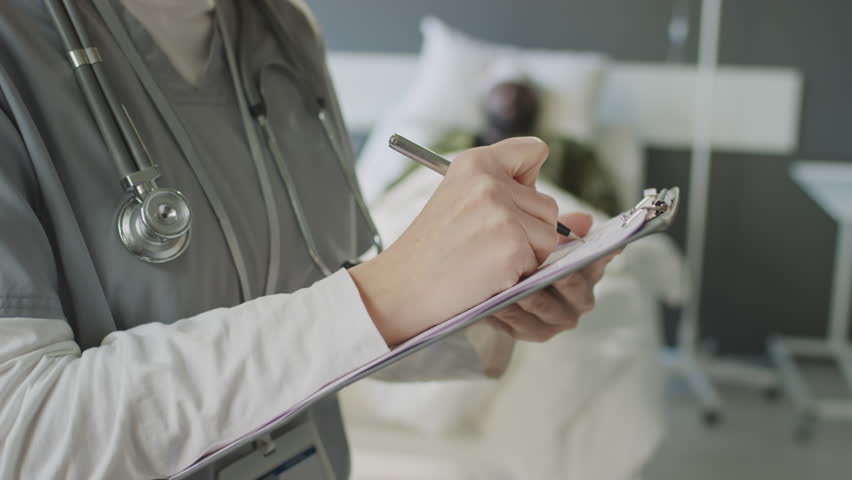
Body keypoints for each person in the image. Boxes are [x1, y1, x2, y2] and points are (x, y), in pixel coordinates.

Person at [0, 1, 617, 478]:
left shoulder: (287, 33)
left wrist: (481, 304)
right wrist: (391, 292)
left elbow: (320, 300)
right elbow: (22, 438)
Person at [429, 79, 621, 215]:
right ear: (484, 104)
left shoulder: (566, 149)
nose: (512, 98)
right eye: (504, 92)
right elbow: (408, 187)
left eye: (522, 95)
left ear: (536, 108)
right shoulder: (449, 142)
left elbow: (603, 206)